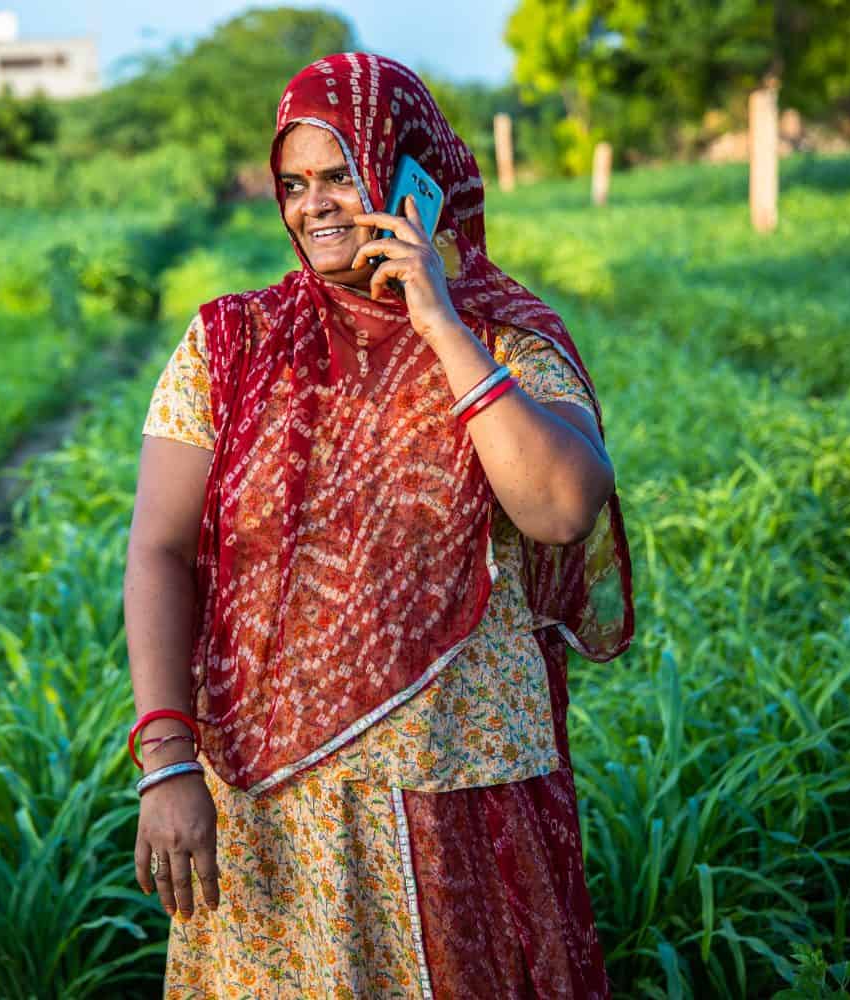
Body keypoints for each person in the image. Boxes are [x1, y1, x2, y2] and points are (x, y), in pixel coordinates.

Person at [123, 52, 634, 999]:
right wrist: (166, 763)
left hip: (457, 790)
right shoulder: (229, 345)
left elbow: (561, 508)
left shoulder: (507, 339)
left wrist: (437, 315)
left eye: (343, 175)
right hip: (279, 807)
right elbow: (158, 550)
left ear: (410, 178)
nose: (314, 206)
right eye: (294, 184)